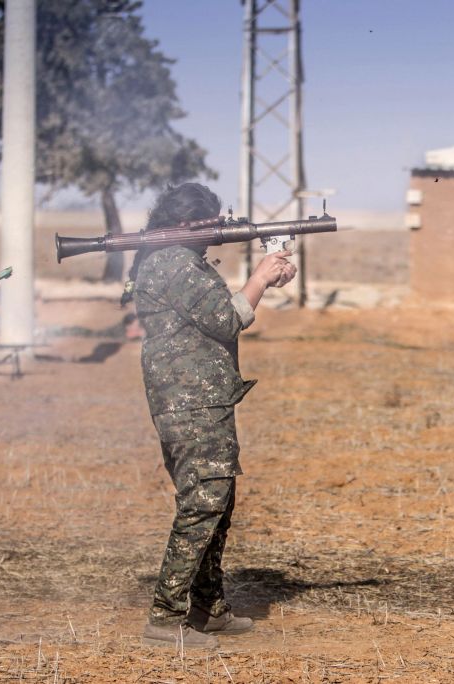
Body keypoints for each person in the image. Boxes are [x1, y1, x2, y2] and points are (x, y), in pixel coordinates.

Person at [130, 183, 295, 650]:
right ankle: (165, 616)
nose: (217, 230)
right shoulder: (174, 263)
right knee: (203, 501)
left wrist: (268, 274)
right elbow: (226, 318)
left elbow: (217, 311)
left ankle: (207, 606)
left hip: (203, 397)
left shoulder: (179, 261)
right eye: (208, 222)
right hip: (190, 400)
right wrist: (261, 278)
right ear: (184, 224)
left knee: (219, 501)